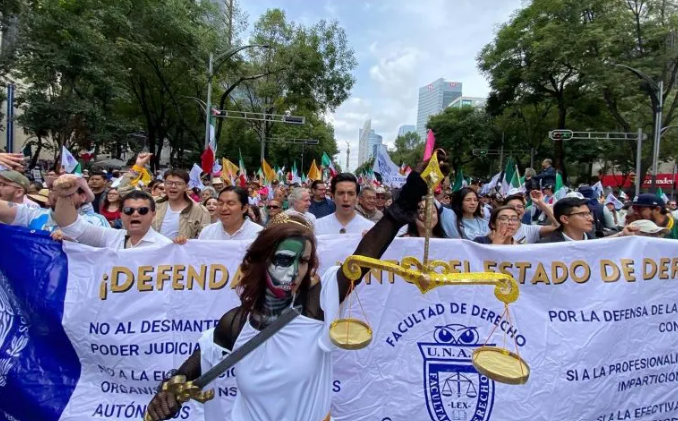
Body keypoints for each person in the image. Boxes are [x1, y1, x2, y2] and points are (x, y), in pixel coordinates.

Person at [145, 165, 428, 421]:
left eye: (303, 262)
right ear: (261, 260)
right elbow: (195, 363)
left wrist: (401, 208)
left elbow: (361, 259)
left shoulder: (315, 309)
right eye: (283, 260)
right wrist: (168, 391)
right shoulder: (236, 323)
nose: (293, 273)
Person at [52, 184, 172, 249]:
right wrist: (65, 194)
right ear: (121, 214)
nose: (135, 214)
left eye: (143, 210)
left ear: (153, 214)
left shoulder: (166, 247)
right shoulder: (110, 237)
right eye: (129, 210)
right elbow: (73, 227)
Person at [0, 175, 108, 232]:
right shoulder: (33, 214)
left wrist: (76, 236)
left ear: (83, 197)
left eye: (67, 191)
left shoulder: (96, 221)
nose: (58, 195)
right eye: (53, 189)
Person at [538, 197, 636, 243]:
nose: (591, 219)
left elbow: (599, 243)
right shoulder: (545, 246)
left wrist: (622, 234)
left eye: (588, 213)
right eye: (583, 214)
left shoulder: (592, 239)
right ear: (565, 219)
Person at [153, 169, 211, 240]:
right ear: (164, 184)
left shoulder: (201, 211)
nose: (173, 186)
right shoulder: (153, 203)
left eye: (178, 183)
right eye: (169, 183)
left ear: (186, 187)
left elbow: (206, 239)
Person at [199, 186, 263, 240]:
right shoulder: (207, 233)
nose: (224, 208)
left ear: (244, 208)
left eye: (231, 204)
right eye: (220, 203)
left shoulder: (259, 234)